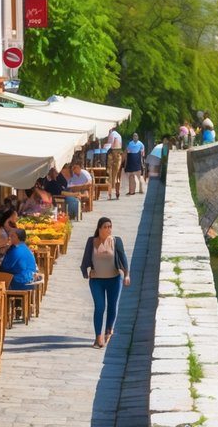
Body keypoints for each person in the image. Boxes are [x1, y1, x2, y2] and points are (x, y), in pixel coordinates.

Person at [80, 217, 131, 349]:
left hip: (114, 280)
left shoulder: (116, 241)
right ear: (99, 228)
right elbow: (86, 257)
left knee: (112, 306)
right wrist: (85, 272)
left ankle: (109, 330)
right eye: (105, 227)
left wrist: (126, 275)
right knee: (100, 307)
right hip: (96, 280)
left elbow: (123, 258)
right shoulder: (92, 241)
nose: (108, 229)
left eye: (110, 226)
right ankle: (98, 337)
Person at [0, 228, 39, 293]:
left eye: (12, 236)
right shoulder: (23, 247)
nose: (9, 238)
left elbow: (5, 267)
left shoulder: (17, 250)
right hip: (29, 278)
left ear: (17, 238)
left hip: (22, 280)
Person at [106, 134, 125, 200]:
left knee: (110, 176)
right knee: (117, 177)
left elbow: (109, 144)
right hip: (118, 156)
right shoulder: (119, 136)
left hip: (112, 155)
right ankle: (117, 193)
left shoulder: (111, 134)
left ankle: (110, 194)